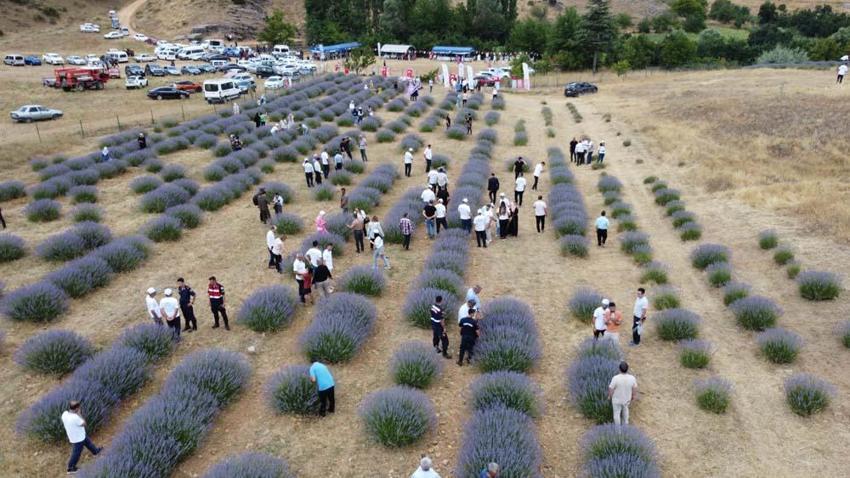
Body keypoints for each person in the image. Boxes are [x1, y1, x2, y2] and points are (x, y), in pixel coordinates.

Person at [62, 400, 102, 474]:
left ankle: (95, 452)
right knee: (76, 453)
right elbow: (84, 423)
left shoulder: (64, 414)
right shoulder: (75, 417)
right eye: (78, 407)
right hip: (78, 439)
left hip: (78, 435)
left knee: (89, 443)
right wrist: (79, 414)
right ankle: (70, 468)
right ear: (77, 408)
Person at [608, 361, 637, 425]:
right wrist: (634, 396)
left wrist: (609, 396)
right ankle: (625, 427)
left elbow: (611, 388)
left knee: (616, 414)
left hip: (617, 400)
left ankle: (618, 431)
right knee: (625, 412)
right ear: (627, 369)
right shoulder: (632, 378)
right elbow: (634, 388)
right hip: (626, 399)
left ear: (619, 369)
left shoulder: (615, 378)